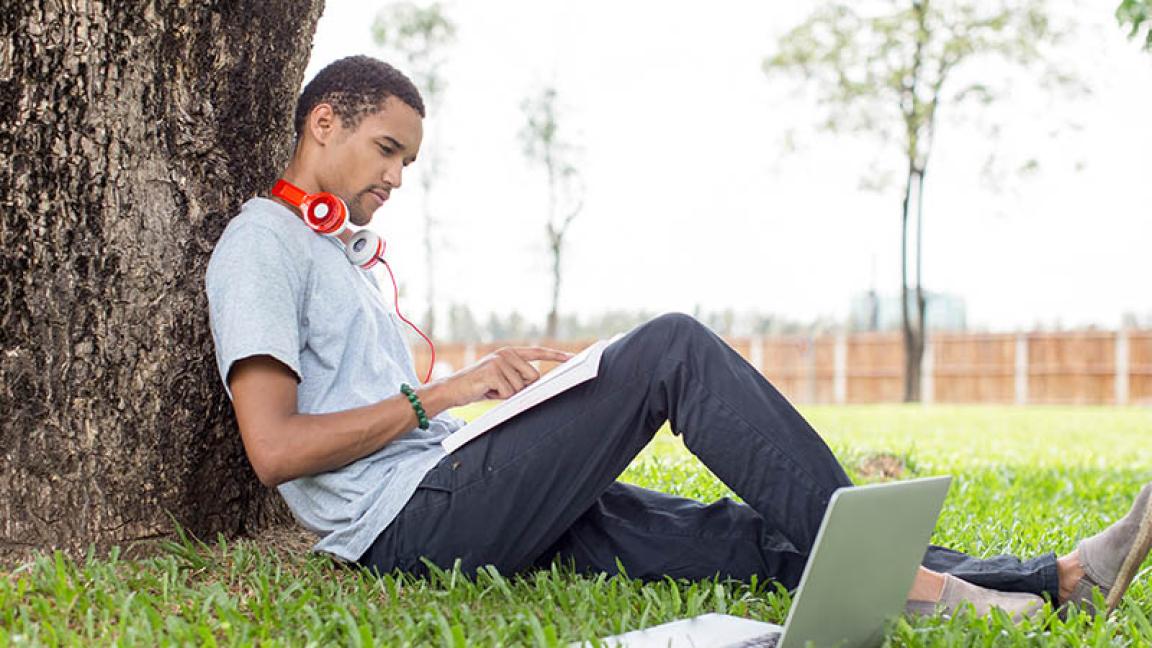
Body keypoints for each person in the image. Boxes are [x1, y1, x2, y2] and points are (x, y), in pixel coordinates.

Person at [204, 55, 1151, 620]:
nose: (398, 178)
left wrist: (519, 397)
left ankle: (1059, 581)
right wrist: (442, 394)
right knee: (670, 348)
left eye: (408, 161)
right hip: (409, 523)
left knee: (747, 534)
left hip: (461, 481)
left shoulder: (348, 256)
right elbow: (276, 449)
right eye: (387, 151)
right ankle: (894, 579)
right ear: (323, 122)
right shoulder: (262, 246)